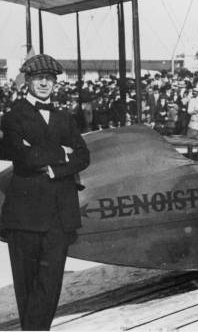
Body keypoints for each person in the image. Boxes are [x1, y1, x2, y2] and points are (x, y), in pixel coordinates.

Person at [0, 54, 90, 330]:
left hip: (60, 215)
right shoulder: (13, 117)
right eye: (39, 79)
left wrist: (53, 168)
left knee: (50, 285)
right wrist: (63, 152)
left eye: (49, 79)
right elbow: (24, 158)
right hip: (25, 216)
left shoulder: (64, 117)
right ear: (27, 81)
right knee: (27, 285)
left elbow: (83, 156)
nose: (44, 84)